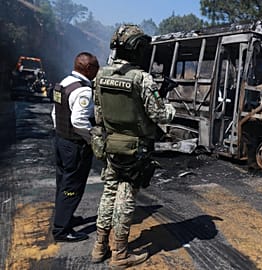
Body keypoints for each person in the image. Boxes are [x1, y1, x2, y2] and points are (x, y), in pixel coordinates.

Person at [90, 24, 175, 269]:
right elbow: (161, 114)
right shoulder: (141, 78)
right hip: (135, 150)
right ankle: (120, 254)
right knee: (125, 198)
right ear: (137, 49)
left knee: (108, 194)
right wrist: (168, 105)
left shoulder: (101, 76)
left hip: (110, 145)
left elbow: (98, 115)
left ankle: (99, 246)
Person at [51, 52, 99, 242]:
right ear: (87, 68)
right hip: (74, 145)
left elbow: (55, 113)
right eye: (95, 68)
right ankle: (62, 230)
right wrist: (91, 138)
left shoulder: (63, 83)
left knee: (63, 182)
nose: (97, 72)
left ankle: (65, 217)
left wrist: (61, 133)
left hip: (61, 140)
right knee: (72, 186)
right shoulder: (83, 90)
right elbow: (79, 121)